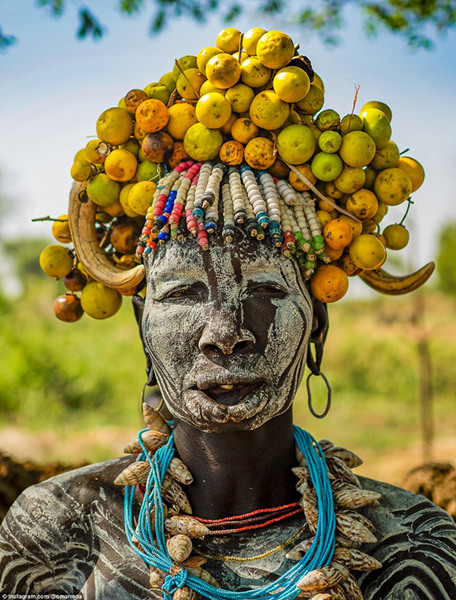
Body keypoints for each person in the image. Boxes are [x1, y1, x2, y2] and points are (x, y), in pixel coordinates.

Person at [0, 167, 455, 598]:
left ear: (317, 325)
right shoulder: (55, 534)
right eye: (181, 293)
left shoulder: (415, 549)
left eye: (266, 291)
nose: (224, 334)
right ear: (143, 330)